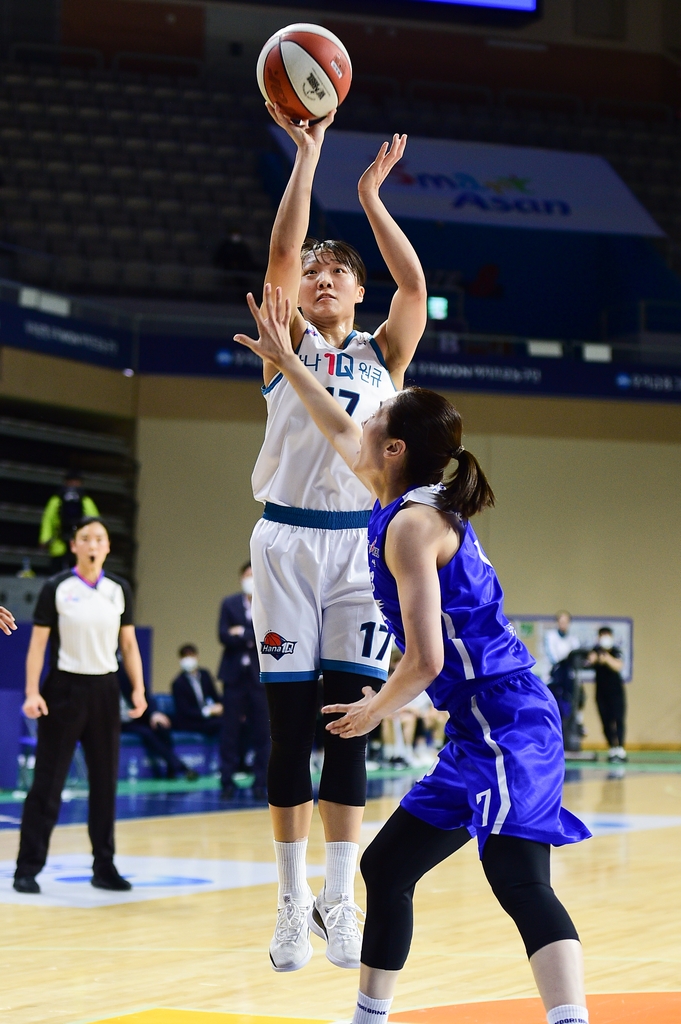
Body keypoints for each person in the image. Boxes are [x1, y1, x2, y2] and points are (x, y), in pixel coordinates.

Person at [235, 285, 592, 1024]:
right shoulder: (389, 489)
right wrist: (286, 362)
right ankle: (368, 1017)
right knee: (386, 866)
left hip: (504, 719)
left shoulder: (411, 525)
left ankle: (570, 1019)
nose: (364, 418)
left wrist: (374, 707)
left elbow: (426, 660)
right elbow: (334, 421)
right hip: (481, 727)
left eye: (378, 418)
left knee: (519, 881)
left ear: (393, 448)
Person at [250, 101, 427, 973]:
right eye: (314, 271)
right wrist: (310, 156)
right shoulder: (282, 342)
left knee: (347, 727)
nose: (320, 277)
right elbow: (282, 252)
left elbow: (415, 289)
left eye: (335, 273)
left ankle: (336, 896)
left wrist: (369, 196)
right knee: (288, 730)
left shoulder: (381, 357)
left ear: (356, 295)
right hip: (283, 545)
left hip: (356, 549)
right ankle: (289, 902)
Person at [14, 516, 146, 895]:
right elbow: (37, 645)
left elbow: (130, 645)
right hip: (64, 689)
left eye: (99, 539)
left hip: (105, 689)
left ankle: (104, 866)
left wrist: (137, 689)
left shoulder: (119, 589)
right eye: (85, 538)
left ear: (107, 548)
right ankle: (27, 866)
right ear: (74, 546)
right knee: (48, 782)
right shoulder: (56, 587)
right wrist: (31, 691)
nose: (92, 544)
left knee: (105, 784)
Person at [217, 561, 270, 800]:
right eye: (246, 575)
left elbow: (267, 636)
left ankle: (261, 782)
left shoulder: (267, 603)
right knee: (230, 732)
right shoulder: (229, 603)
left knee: (262, 731)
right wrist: (249, 635)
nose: (250, 579)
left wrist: (243, 633)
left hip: (259, 678)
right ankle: (227, 781)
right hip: (234, 678)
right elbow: (223, 635)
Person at [118, 665, 198, 781]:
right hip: (119, 722)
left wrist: (154, 713)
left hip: (136, 716)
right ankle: (181, 767)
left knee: (162, 726)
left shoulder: (125, 673)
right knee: (147, 733)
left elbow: (145, 695)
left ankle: (172, 770)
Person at [171, 644, 231, 788]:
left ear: (196, 657)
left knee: (232, 722)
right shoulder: (177, 683)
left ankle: (240, 764)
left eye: (190, 656)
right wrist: (208, 712)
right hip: (191, 721)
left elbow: (215, 696)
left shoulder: (205, 675)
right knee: (222, 724)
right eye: (185, 657)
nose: (188, 660)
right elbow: (184, 711)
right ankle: (224, 766)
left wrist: (221, 707)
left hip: (209, 718)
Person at [39, 471, 99, 575]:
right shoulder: (57, 500)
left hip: (79, 546)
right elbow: (48, 520)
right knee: (57, 575)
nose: (73, 485)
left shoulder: (85, 501)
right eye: (71, 482)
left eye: (76, 482)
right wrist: (45, 538)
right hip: (59, 544)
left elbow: (95, 523)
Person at [544, 611, 585, 750]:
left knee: (579, 699)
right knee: (556, 708)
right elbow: (554, 657)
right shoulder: (550, 637)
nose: (563, 624)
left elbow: (576, 658)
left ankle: (577, 726)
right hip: (555, 679)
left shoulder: (573, 639)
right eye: (561, 621)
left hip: (569, 680)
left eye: (566, 621)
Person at [586, 627, 626, 763]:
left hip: (616, 692)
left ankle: (620, 747)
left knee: (618, 719)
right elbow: (589, 661)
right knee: (605, 721)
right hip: (601, 692)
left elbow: (618, 666)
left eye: (607, 635)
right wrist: (596, 657)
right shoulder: (595, 651)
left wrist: (607, 658)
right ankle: (611, 747)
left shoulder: (616, 652)